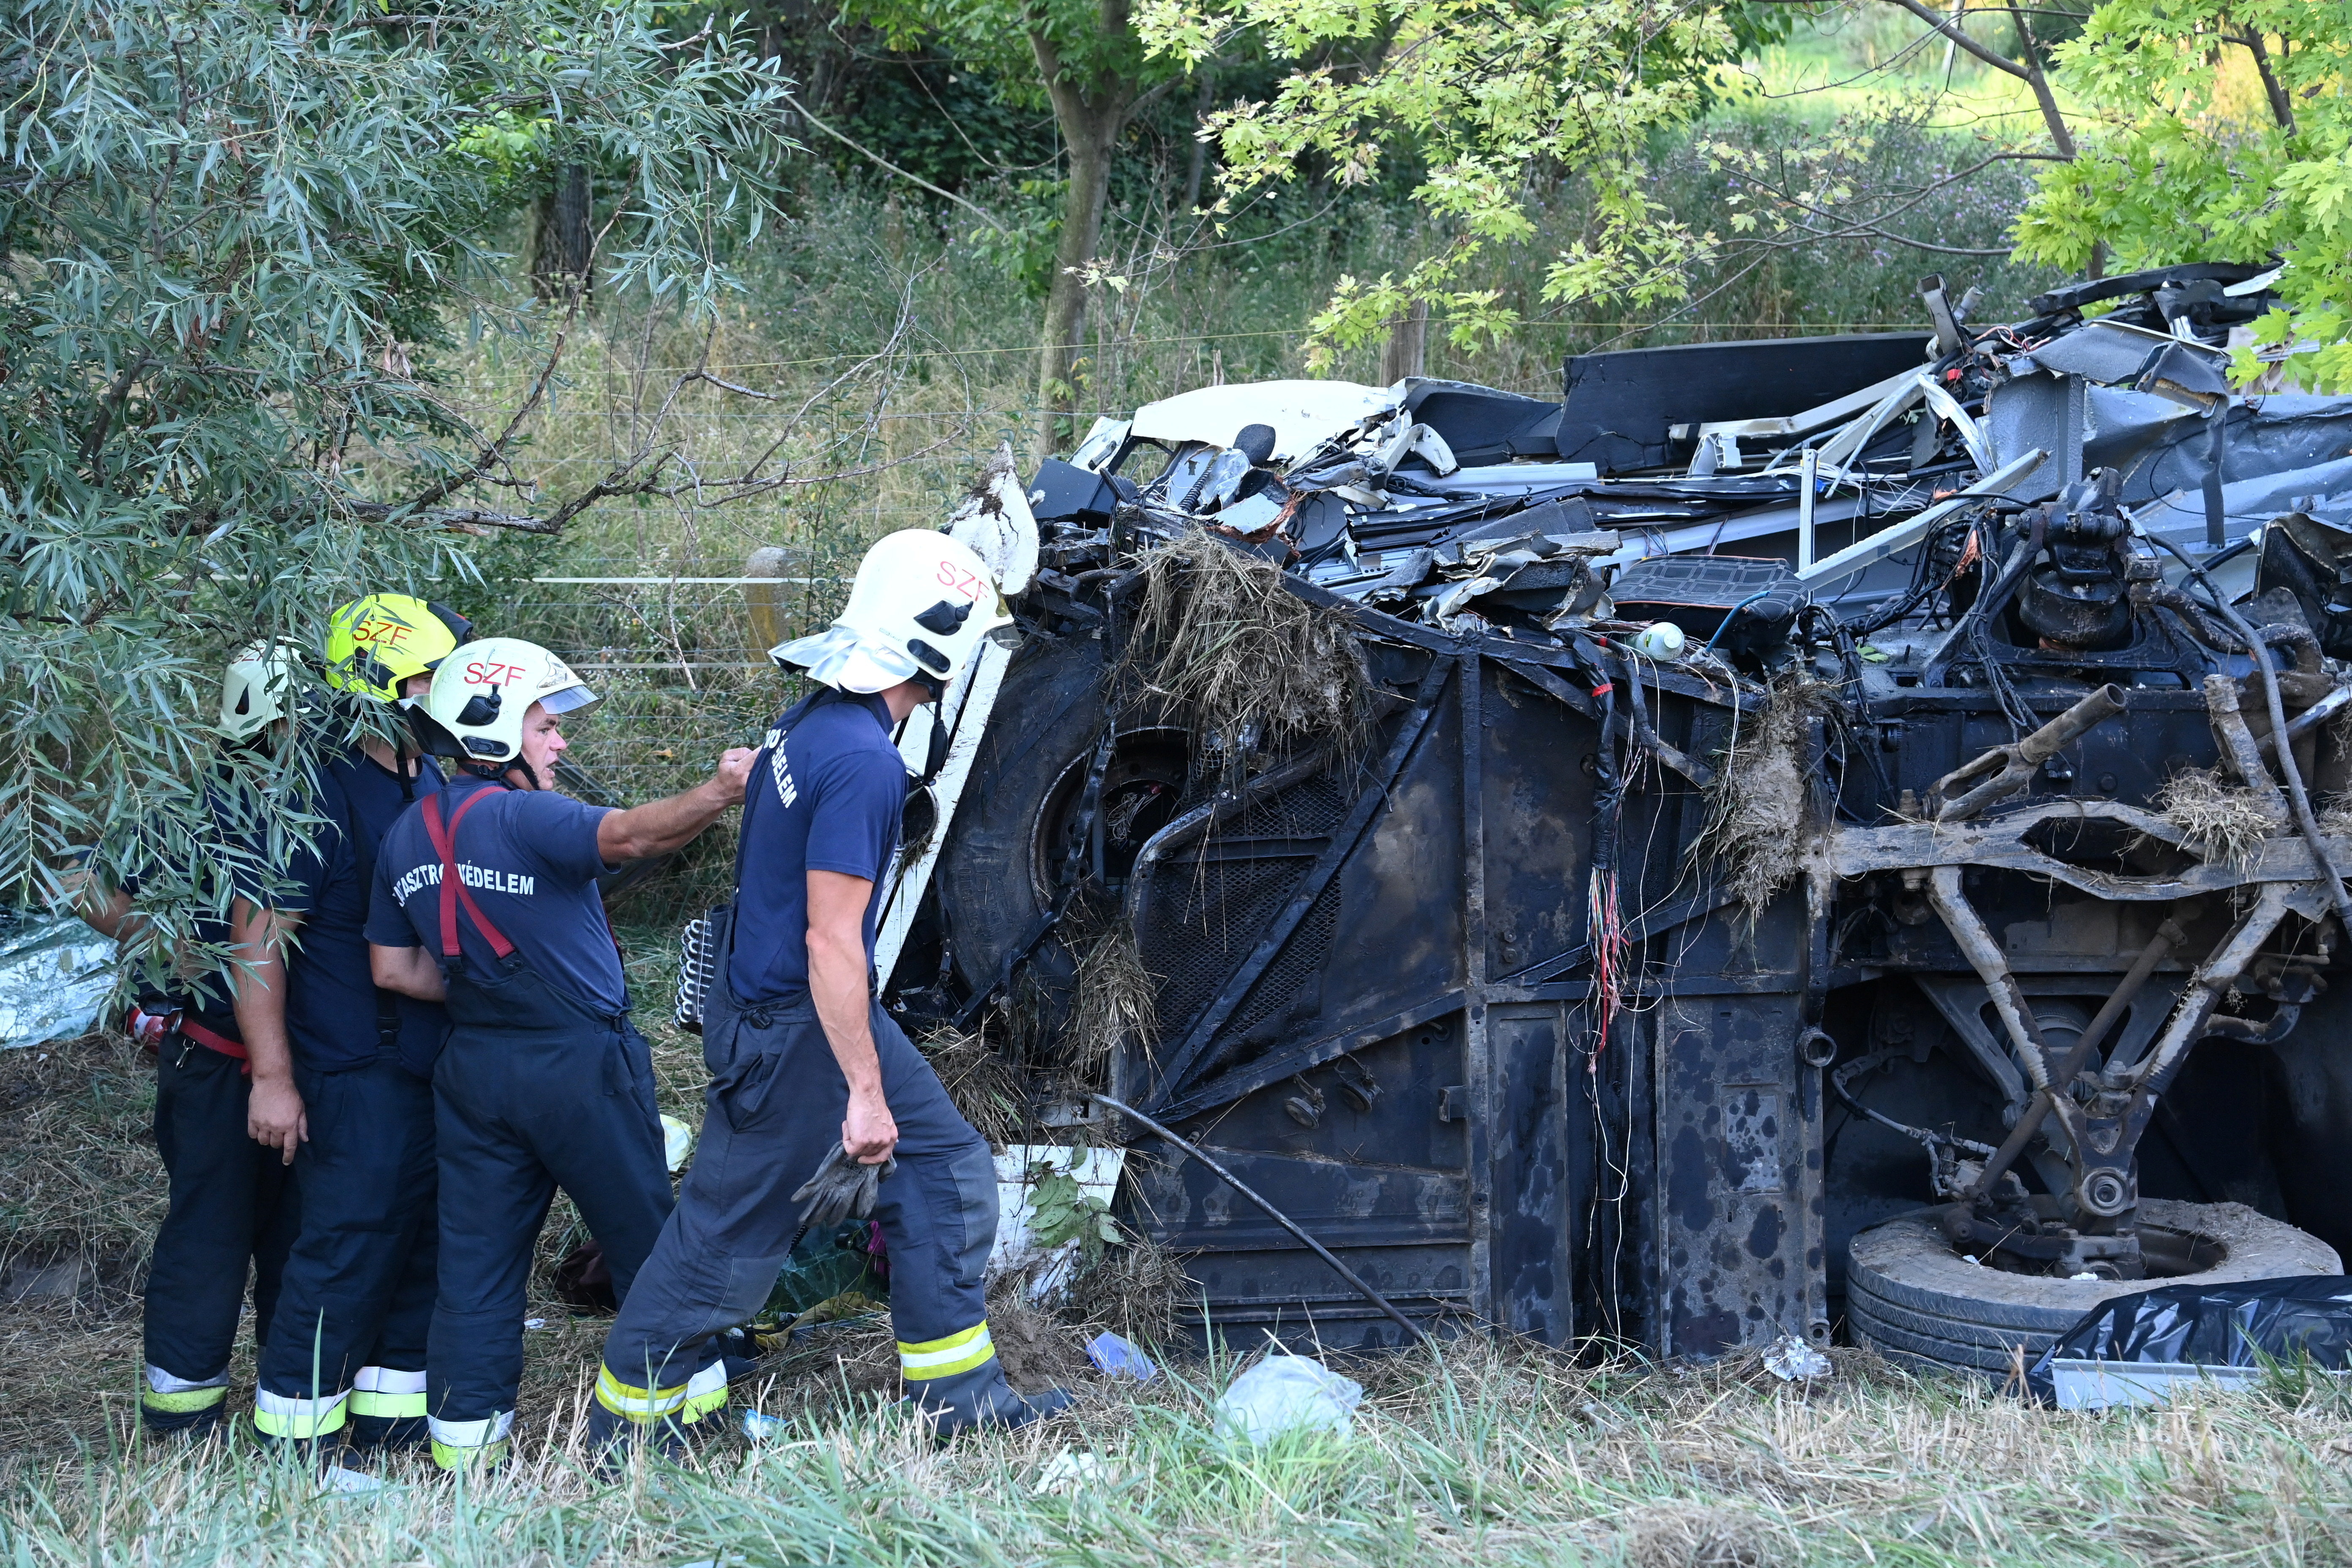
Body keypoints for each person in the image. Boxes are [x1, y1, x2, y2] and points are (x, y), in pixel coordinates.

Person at [590, 529, 1069, 1455]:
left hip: (789, 1004)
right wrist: (861, 1088)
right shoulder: (863, 763)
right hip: (796, 1023)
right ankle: (627, 1425)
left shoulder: (810, 720)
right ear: (945, 648)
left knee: (947, 1168)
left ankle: (956, 1394)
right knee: (726, 1235)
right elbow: (832, 939)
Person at [366, 638, 754, 1470]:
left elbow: (392, 968)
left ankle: (466, 1454)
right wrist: (721, 790)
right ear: (498, 730)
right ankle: (677, 1433)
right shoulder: (523, 814)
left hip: (473, 1070)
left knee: (476, 1266)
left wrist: (493, 993)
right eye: (546, 725)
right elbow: (635, 836)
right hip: (579, 1066)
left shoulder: (406, 833)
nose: (561, 742)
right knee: (653, 1247)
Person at [233, 595, 472, 1454]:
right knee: (343, 1255)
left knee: (417, 1255)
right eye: (433, 675)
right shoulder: (315, 787)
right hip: (351, 1073)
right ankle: (294, 1448)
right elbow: (255, 934)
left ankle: (389, 1437)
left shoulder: (425, 776)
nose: (451, 691)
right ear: (384, 681)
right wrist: (272, 1075)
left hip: (425, 1067)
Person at [71, 645, 303, 1437]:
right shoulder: (194, 802)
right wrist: (168, 944)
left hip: (266, 1065)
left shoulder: (268, 797)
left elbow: (78, 879)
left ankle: (271, 1400)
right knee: (216, 1233)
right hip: (223, 1063)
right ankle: (185, 1417)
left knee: (274, 1232)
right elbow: (73, 877)